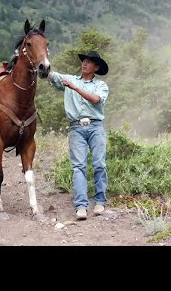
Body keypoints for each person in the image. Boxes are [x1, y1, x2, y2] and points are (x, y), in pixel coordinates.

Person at [48, 50, 109, 220]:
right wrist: (42, 65)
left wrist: (75, 88)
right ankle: (81, 206)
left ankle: (99, 202)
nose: (85, 64)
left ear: (96, 67)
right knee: (78, 167)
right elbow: (51, 75)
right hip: (76, 128)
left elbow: (96, 100)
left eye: (90, 62)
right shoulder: (70, 80)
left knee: (99, 164)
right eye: (84, 61)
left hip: (95, 126)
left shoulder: (100, 86)